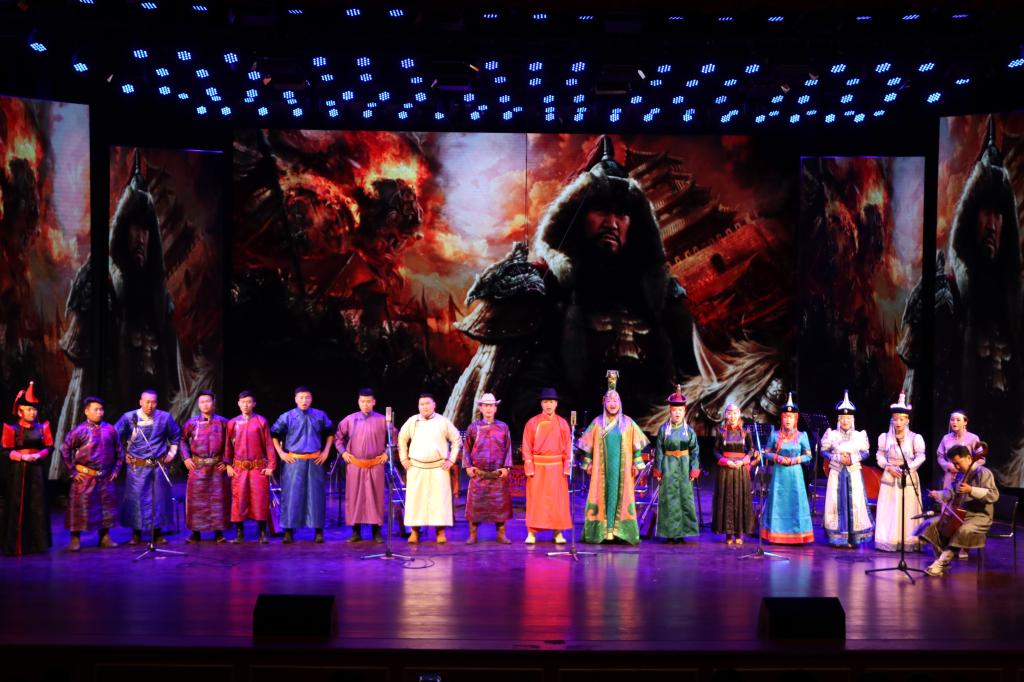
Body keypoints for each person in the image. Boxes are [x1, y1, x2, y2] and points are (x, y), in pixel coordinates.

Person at [445, 136, 699, 435]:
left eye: (622, 214)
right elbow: (529, 387)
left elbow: (692, 378)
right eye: (601, 210)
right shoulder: (545, 289)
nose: (612, 223)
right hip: (570, 440)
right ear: (576, 216)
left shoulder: (663, 297)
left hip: (649, 441)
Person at [579, 388, 648, 545]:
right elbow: (588, 447)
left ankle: (620, 533)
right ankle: (603, 532)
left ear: (620, 403)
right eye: (609, 401)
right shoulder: (597, 423)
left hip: (622, 469)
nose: (612, 404)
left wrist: (636, 463)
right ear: (604, 403)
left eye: (615, 401)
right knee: (601, 496)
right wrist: (588, 462)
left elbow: (637, 446)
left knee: (621, 497)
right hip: (601, 469)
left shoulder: (627, 423)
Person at [920, 443, 999, 576]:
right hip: (961, 514)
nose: (956, 467)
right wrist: (938, 494)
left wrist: (971, 490)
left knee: (963, 530)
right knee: (932, 524)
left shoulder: (984, 473)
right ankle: (942, 559)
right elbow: (951, 492)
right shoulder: (960, 475)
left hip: (979, 516)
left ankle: (941, 563)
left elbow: (993, 495)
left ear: (969, 458)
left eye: (958, 463)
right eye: (953, 464)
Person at [115, 389, 181, 545]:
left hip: (157, 467)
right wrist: (123, 454)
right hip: (136, 468)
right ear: (140, 402)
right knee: (136, 500)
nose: (150, 405)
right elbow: (113, 435)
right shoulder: (129, 417)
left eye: (153, 402)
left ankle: (157, 534)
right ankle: (136, 534)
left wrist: (171, 453)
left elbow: (176, 436)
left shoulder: (165, 417)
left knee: (158, 500)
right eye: (147, 402)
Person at [271, 386, 334, 544]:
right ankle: (288, 531)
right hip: (294, 461)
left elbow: (330, 433)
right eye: (301, 397)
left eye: (307, 397)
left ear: (311, 399)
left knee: (316, 495)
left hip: (315, 460)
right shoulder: (287, 416)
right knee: (291, 495)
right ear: (295, 399)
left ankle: (318, 531)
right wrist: (281, 453)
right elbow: (274, 433)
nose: (304, 400)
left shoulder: (319, 415)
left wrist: (326, 451)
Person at [60, 396, 123, 551]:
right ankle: (75, 539)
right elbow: (64, 449)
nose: (99, 412)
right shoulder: (79, 430)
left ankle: (105, 537)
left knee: (106, 508)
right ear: (86, 411)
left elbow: (120, 452)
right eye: (96, 410)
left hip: (105, 477)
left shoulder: (110, 429)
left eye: (101, 409)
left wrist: (116, 470)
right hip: (85, 477)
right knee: (79, 508)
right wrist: (72, 471)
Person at [397, 394, 461, 544]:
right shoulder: (412, 421)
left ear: (434, 405)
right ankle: (415, 531)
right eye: (421, 404)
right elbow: (401, 438)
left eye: (427, 403)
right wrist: (404, 458)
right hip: (416, 467)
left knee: (439, 501)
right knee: (415, 500)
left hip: (439, 467)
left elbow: (456, 439)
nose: (424, 406)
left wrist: (451, 459)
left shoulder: (443, 421)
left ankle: (440, 532)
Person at [335, 388, 395, 543]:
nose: (365, 404)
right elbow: (338, 439)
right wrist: (343, 452)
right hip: (355, 465)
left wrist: (387, 454)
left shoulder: (383, 420)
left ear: (374, 402)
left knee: (376, 498)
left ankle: (376, 532)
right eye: (362, 401)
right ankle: (356, 532)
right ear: (358, 402)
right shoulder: (350, 420)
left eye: (368, 401)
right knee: (355, 498)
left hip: (375, 464)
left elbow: (394, 439)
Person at [0, 382, 53, 555]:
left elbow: (49, 447)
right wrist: (22, 457)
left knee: (38, 504)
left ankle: (38, 544)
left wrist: (38, 455)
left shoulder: (42, 427)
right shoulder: (11, 429)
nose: (33, 412)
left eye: (34, 409)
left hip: (36, 470)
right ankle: (16, 544)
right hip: (18, 471)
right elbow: (5, 450)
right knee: (18, 504)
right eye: (29, 409)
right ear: (20, 411)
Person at [820, 390, 874, 548]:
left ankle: (854, 538)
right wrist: (836, 457)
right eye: (843, 418)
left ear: (852, 419)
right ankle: (838, 538)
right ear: (839, 419)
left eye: (848, 418)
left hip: (853, 472)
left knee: (854, 502)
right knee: (836, 503)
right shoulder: (831, 434)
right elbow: (823, 450)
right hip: (837, 472)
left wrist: (852, 459)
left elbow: (866, 452)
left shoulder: (859, 435)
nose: (845, 421)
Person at [874, 393, 926, 552]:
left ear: (907, 420)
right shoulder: (885, 437)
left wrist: (908, 468)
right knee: (889, 509)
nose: (898, 422)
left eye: (901, 419)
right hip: (890, 476)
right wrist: (888, 466)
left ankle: (908, 541)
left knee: (907, 508)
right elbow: (879, 455)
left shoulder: (915, 438)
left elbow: (921, 456)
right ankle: (889, 539)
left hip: (907, 476)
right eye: (895, 419)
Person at [760, 393, 814, 545]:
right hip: (779, 474)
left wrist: (794, 460)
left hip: (795, 475)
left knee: (796, 502)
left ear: (795, 419)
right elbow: (767, 453)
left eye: (791, 417)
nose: (788, 420)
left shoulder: (802, 436)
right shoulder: (774, 435)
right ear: (781, 418)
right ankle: (776, 533)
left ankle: (798, 534)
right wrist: (778, 458)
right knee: (778, 502)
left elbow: (808, 455)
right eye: (785, 417)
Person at [521, 388, 572, 545]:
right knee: (536, 500)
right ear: (541, 404)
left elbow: (568, 446)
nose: (548, 405)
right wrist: (529, 466)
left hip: (557, 468)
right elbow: (526, 446)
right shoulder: (532, 423)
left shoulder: (563, 423)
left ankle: (558, 532)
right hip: (538, 467)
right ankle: (531, 532)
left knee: (557, 501)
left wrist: (567, 466)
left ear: (556, 404)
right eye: (545, 402)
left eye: (551, 401)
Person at [225, 391, 276, 544]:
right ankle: (239, 535)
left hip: (257, 469)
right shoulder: (232, 423)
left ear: (254, 404)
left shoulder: (261, 421)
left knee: (260, 500)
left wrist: (271, 465)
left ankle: (262, 534)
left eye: (248, 402)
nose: (246, 405)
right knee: (239, 500)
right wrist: (228, 465)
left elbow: (269, 445)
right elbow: (228, 446)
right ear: (238, 404)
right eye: (243, 402)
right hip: (239, 469)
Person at [462, 393, 513, 544]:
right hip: (479, 474)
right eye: (486, 406)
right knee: (475, 506)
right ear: (481, 408)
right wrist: (468, 466)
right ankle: (473, 535)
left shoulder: (503, 427)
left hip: (497, 475)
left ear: (495, 408)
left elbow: (508, 448)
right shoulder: (473, 427)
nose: (489, 409)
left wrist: (507, 467)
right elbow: (466, 449)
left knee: (500, 506)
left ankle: (501, 534)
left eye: (491, 406)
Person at [181, 390, 230, 543]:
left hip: (217, 468)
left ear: (213, 403)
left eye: (208, 401)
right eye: (202, 402)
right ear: (198, 404)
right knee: (196, 501)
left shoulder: (223, 422)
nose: (205, 404)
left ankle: (219, 533)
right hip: (198, 468)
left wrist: (227, 461)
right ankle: (195, 533)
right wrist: (186, 458)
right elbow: (182, 440)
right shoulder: (191, 423)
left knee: (218, 501)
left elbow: (230, 443)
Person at [653, 387, 700, 543]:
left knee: (684, 498)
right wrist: (658, 469)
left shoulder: (689, 431)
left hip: (684, 467)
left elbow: (695, 451)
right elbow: (659, 450)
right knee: (669, 499)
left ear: (684, 411)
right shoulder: (663, 430)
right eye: (674, 410)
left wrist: (694, 468)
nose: (677, 413)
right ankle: (669, 533)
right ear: (670, 411)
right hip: (669, 465)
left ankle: (681, 533)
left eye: (680, 410)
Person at [934, 409, 982, 559]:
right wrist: (947, 465)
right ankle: (948, 545)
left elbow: (981, 459)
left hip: (966, 478)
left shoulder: (973, 438)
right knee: (948, 510)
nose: (954, 422)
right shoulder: (946, 438)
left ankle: (964, 547)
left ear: (965, 422)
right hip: (950, 477)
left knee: (963, 511)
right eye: (952, 419)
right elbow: (940, 456)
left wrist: (968, 469)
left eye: (958, 420)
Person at [712, 403, 755, 545]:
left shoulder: (746, 431)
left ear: (739, 413)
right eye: (729, 413)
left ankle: (739, 533)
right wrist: (726, 461)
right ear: (725, 415)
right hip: (726, 470)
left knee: (740, 499)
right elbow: (716, 451)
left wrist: (743, 461)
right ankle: (728, 534)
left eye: (735, 413)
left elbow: (751, 450)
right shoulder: (721, 432)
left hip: (740, 470)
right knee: (727, 500)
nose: (732, 416)